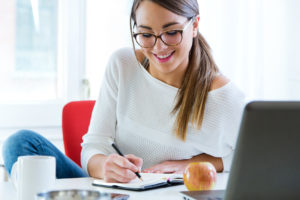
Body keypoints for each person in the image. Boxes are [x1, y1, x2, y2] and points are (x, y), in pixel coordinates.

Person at [2, 0, 245, 183]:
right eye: (146, 34)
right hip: (107, 192)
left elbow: (257, 161)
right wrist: (103, 166)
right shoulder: (123, 64)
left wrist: (193, 164)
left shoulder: (224, 97)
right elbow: (93, 146)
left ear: (195, 26)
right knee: (20, 143)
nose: (159, 47)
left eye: (172, 32)